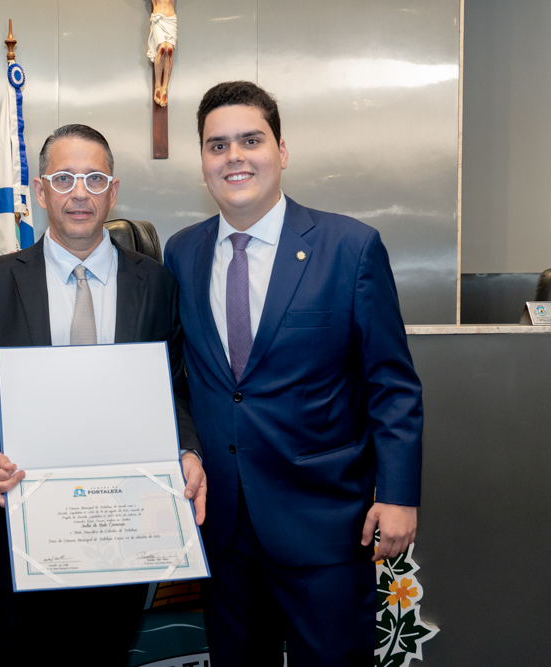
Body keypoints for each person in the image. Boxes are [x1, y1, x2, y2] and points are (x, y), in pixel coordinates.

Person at [164, 81, 423, 666]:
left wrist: (400, 496)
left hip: (325, 523)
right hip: (223, 526)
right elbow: (184, 378)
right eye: (217, 145)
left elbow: (392, 383)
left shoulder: (350, 247)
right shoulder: (182, 253)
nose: (234, 157)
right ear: (202, 159)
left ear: (281, 150)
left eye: (250, 140)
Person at [0, 123, 205, 666]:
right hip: (17, 538)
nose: (79, 193)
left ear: (113, 193)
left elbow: (175, 389)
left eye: (94, 179)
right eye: (64, 178)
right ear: (40, 191)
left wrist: (188, 451)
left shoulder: (156, 284)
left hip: (121, 540)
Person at [148, 0, 176, 106]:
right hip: (158, 19)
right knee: (162, 48)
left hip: (171, 20)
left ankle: (164, 88)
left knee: (169, 51)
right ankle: (157, 86)